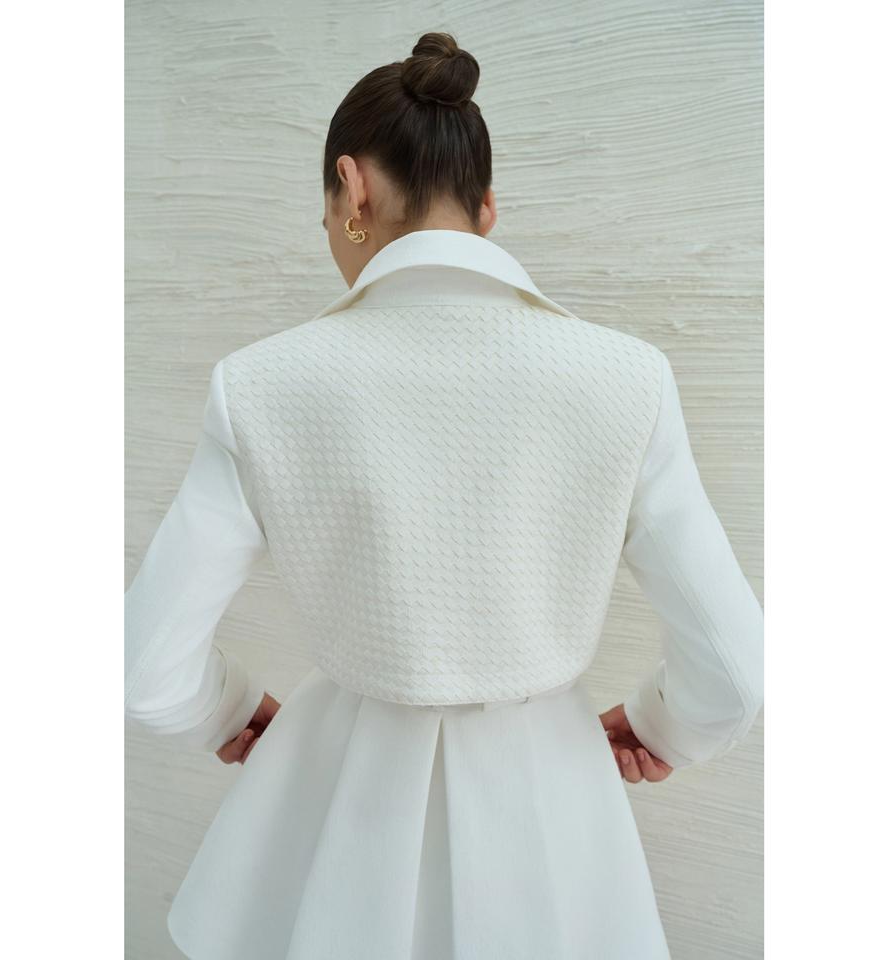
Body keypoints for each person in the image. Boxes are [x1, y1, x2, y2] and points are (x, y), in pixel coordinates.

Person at [124, 31, 764, 960]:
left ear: (351, 189)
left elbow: (148, 668)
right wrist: (667, 726)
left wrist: (225, 710)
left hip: (328, 804)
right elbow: (735, 671)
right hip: (552, 807)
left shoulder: (259, 384)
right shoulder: (629, 379)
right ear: (488, 206)